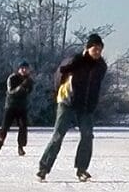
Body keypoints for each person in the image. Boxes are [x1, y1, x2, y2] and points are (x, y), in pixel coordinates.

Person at [36, 33, 108, 182]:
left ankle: (82, 169)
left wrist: (93, 103)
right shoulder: (76, 60)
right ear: (87, 48)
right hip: (68, 102)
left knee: (87, 135)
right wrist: (59, 92)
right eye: (95, 48)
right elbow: (59, 73)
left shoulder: (101, 66)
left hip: (86, 106)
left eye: (100, 49)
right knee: (58, 135)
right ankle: (43, 168)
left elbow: (96, 87)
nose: (97, 52)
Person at [0, 62, 33, 155]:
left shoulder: (29, 80)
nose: (24, 70)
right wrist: (21, 87)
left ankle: (21, 147)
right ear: (18, 69)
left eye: (26, 68)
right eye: (22, 68)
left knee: (23, 127)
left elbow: (28, 91)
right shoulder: (12, 78)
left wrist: (26, 87)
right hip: (11, 106)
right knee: (4, 128)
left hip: (22, 107)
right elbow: (11, 91)